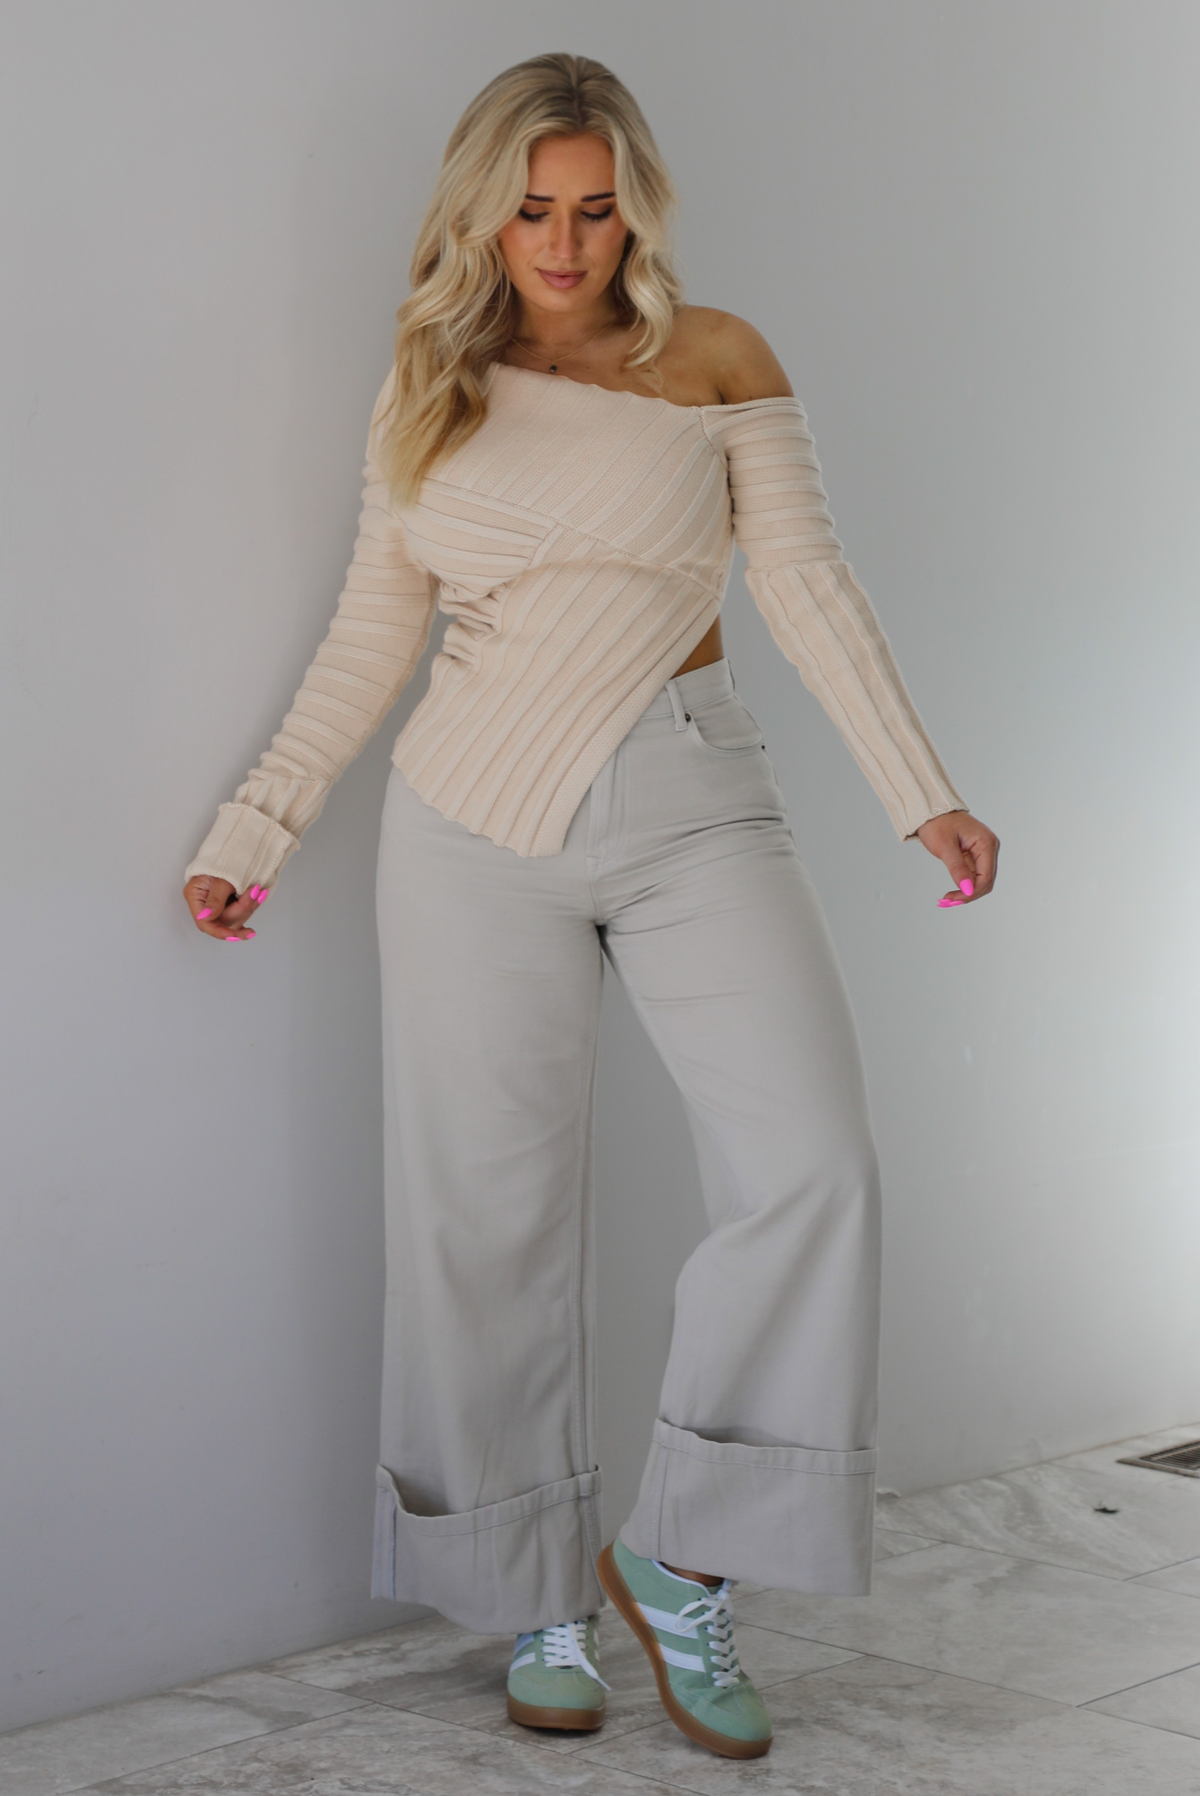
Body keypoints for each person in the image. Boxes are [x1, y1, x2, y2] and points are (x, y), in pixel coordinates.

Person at [183, 52, 998, 1762]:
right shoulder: (430, 379)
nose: (563, 243)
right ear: (481, 212)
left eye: (596, 207)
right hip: (467, 825)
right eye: (532, 209)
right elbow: (371, 632)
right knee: (484, 1224)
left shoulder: (717, 358)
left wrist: (919, 786)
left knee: (816, 1167)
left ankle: (680, 1559)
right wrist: (257, 827)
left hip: (698, 800)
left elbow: (806, 581)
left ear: (640, 208)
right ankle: (534, 1591)